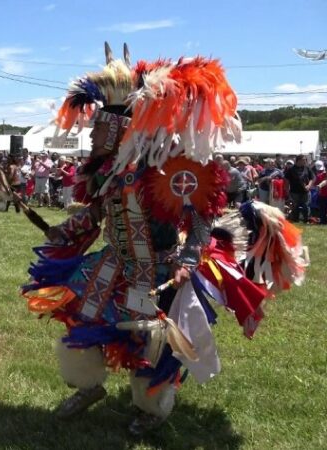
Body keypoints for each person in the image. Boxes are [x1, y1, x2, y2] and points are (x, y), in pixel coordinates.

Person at [23, 44, 306, 435]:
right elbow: (94, 216)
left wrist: (190, 258)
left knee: (151, 345)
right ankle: (88, 385)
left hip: (156, 271)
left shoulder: (164, 170)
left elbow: (200, 215)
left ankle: (152, 408)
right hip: (112, 264)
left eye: (101, 127)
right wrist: (64, 232)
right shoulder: (106, 171)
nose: (92, 134)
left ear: (123, 129)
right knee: (80, 321)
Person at [284, 155, 315, 222]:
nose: (305, 161)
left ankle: (306, 219)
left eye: (305, 160)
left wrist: (309, 186)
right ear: (298, 160)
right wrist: (287, 191)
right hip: (294, 192)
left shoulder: (307, 168)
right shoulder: (291, 169)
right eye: (304, 160)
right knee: (295, 206)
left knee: (306, 206)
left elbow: (312, 178)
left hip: (305, 192)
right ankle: (295, 219)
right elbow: (286, 181)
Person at [314, 160, 327, 224]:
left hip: (322, 195)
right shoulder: (319, 176)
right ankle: (323, 222)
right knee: (322, 210)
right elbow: (316, 185)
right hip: (323, 196)